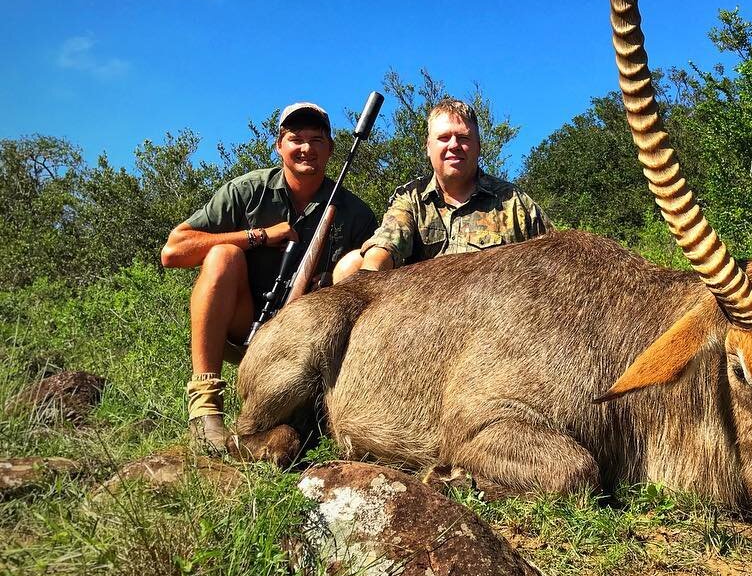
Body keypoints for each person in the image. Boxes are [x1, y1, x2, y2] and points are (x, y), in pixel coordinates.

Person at [161, 102, 376, 449]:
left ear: (331, 149)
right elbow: (173, 251)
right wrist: (258, 236)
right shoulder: (247, 191)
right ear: (279, 145)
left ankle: (332, 403)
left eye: (317, 140)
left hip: (308, 339)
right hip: (246, 328)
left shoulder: (355, 213)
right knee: (223, 256)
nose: (306, 148)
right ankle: (205, 404)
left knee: (357, 265)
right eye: (296, 139)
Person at [360, 97, 550, 270]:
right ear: (428, 147)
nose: (453, 145)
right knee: (352, 263)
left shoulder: (514, 202)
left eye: (463, 138)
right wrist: (368, 276)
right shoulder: (411, 198)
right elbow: (385, 245)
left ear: (479, 147)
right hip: (423, 306)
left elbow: (554, 256)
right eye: (444, 138)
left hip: (495, 306)